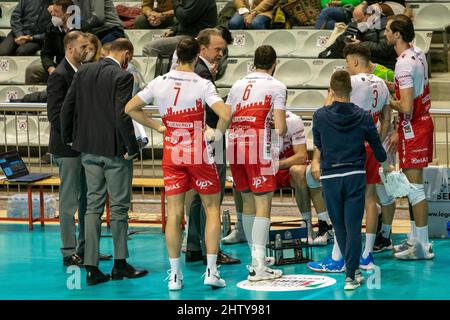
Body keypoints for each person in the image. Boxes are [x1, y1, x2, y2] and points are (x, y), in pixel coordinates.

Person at [125, 36, 231, 291]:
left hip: (172, 153)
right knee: (212, 209)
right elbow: (226, 113)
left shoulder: (159, 81)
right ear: (196, 57)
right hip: (198, 153)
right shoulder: (203, 83)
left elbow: (130, 108)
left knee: (174, 214)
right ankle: (212, 271)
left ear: (176, 55)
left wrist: (158, 126)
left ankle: (174, 275)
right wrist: (216, 134)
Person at [61, 38, 149, 286]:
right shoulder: (122, 76)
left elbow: (68, 106)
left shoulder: (84, 70)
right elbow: (122, 115)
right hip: (114, 152)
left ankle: (91, 267)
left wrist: (70, 138)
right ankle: (120, 264)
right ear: (127, 55)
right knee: (119, 209)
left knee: (92, 207)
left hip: (87, 148)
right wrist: (132, 149)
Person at [310, 70, 392, 290]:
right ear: (351, 90)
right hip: (355, 175)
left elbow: (319, 143)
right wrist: (386, 165)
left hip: (331, 177)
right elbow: (378, 149)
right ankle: (351, 274)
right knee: (353, 226)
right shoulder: (363, 116)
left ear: (331, 90)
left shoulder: (319, 115)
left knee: (340, 228)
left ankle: (351, 270)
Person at [223, 112, 333, 246]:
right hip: (264, 166)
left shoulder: (293, 120)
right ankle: (241, 228)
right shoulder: (255, 120)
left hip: (286, 167)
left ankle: (306, 227)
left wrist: (276, 164)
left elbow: (301, 156)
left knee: (299, 171)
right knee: (239, 175)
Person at [227, 45, 287, 281]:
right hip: (257, 144)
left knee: (248, 199)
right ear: (274, 63)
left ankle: (256, 257)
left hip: (234, 142)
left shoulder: (238, 83)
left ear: (254, 62)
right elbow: (281, 126)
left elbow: (228, 115)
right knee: (264, 202)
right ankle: (259, 265)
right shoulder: (277, 86)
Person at [183, 28, 240, 266]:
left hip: (197, 141)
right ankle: (211, 251)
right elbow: (211, 110)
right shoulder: (202, 74)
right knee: (212, 198)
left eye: (223, 50)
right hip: (210, 141)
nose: (221, 53)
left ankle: (195, 247)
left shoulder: (198, 70)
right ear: (202, 48)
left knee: (198, 196)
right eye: (217, 49)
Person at [384, 14, 435, 260]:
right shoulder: (418, 54)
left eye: (387, 30)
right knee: (414, 187)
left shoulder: (404, 63)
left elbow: (406, 107)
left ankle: (423, 247)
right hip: (417, 126)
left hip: (414, 127)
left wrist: (386, 100)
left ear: (397, 34)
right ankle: (415, 239)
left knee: (415, 189)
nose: (384, 33)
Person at [47, 31, 89, 267]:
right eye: (83, 46)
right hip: (67, 148)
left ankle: (85, 248)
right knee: (69, 201)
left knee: (86, 201)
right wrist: (74, 138)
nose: (86, 50)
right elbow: (55, 115)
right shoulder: (60, 75)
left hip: (84, 147)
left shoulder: (82, 72)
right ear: (70, 47)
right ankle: (68, 250)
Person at [25, 0, 88, 85]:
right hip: (59, 65)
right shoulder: (51, 28)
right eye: (53, 10)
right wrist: (50, 68)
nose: (52, 14)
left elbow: (89, 54)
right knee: (32, 70)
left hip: (79, 66)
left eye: (56, 11)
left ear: (67, 14)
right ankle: (34, 97)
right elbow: (46, 54)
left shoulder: (83, 27)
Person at [143, 0, 217, 58]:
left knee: (149, 48)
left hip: (195, 38)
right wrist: (174, 29)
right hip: (188, 34)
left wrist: (175, 1)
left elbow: (185, 18)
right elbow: (188, 16)